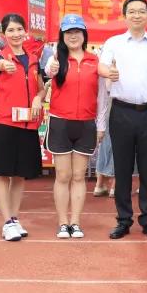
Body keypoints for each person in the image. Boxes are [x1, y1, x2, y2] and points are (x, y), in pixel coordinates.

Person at [98, 0, 147, 240]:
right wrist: (108, 72)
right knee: (121, 169)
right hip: (121, 111)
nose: (137, 15)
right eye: (132, 11)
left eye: (141, 11)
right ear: (124, 15)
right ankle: (123, 220)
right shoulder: (114, 43)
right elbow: (101, 67)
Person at [0, 13, 46, 241]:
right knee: (2, 173)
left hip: (28, 123)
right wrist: (2, 64)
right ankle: (6, 222)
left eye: (19, 29)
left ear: (25, 31)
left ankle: (14, 217)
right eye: (10, 30)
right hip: (5, 121)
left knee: (20, 174)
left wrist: (39, 97)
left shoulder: (33, 58)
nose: (16, 34)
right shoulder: (0, 57)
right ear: (4, 33)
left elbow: (41, 87)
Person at [45, 14, 99, 239]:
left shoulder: (94, 60)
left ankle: (75, 222)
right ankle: (62, 223)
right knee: (63, 175)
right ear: (62, 36)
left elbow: (104, 91)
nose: (73, 36)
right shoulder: (55, 59)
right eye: (68, 32)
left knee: (78, 176)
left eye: (77, 31)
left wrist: (101, 124)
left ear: (84, 34)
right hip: (61, 122)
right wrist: (51, 68)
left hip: (86, 123)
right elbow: (48, 72)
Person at [93, 79, 115, 197]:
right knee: (118, 143)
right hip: (116, 100)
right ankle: (114, 186)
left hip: (103, 100)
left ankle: (99, 184)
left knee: (105, 144)